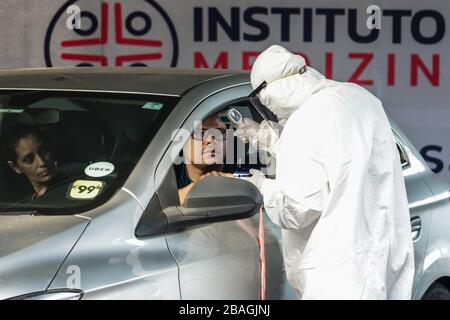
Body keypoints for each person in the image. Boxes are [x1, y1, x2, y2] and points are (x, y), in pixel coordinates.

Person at [236, 45, 414, 299]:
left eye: (264, 99)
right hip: (376, 264)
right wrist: (266, 136)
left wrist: (261, 186)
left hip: (337, 277)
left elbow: (299, 209)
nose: (269, 108)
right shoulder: (358, 98)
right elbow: (335, 155)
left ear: (272, 91)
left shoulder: (306, 121)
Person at [175, 112, 234, 206]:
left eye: (219, 133)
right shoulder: (165, 176)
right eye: (200, 133)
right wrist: (197, 189)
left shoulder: (242, 175)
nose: (211, 140)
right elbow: (151, 207)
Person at [1, 123, 65, 200]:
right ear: (15, 167)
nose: (42, 162)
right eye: (29, 160)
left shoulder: (70, 185)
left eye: (44, 151)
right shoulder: (10, 201)